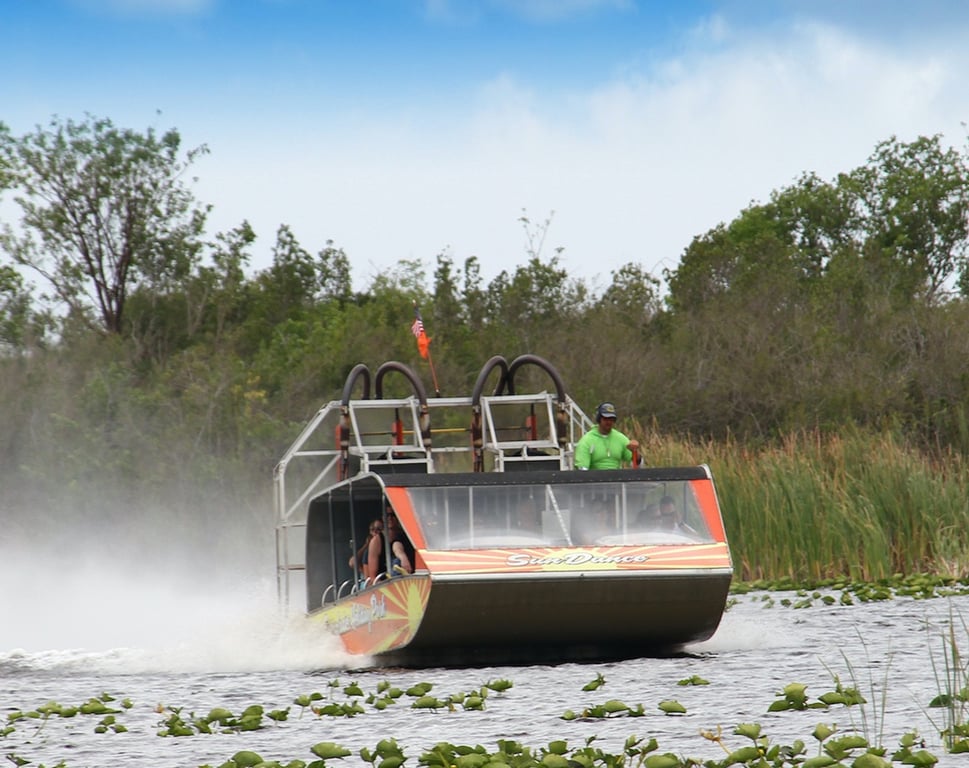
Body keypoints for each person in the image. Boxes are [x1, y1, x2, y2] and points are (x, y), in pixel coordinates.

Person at [574, 402, 640, 470]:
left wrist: (635, 451)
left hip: (617, 479)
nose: (608, 422)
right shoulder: (587, 441)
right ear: (599, 419)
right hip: (595, 479)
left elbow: (637, 466)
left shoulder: (620, 438)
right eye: (605, 419)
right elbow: (582, 470)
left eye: (611, 419)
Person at [366, 508, 414, 581]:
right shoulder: (376, 541)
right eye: (387, 515)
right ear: (383, 518)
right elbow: (373, 576)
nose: (390, 518)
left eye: (393, 515)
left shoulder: (407, 536)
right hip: (384, 583)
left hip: (409, 581)